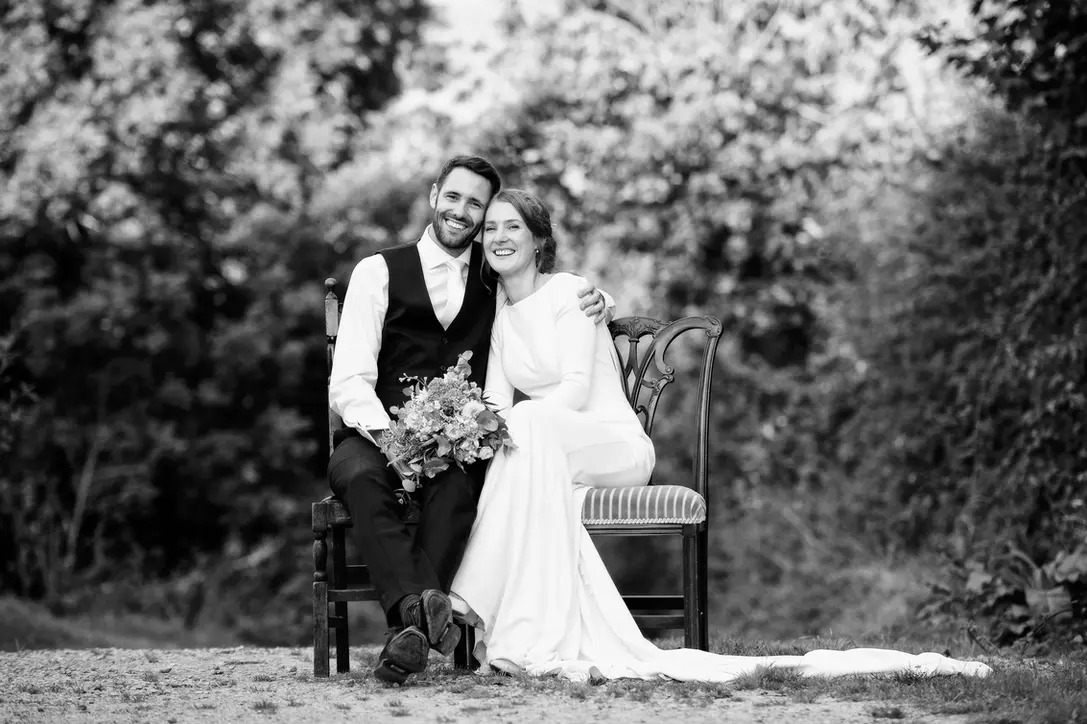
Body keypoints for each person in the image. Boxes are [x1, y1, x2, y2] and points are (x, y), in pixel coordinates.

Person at [448, 189, 994, 683]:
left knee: (529, 424)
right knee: (515, 433)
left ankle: (466, 601)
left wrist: (519, 421)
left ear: (539, 241)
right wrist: (476, 428)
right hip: (553, 452)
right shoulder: (500, 321)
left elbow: (572, 389)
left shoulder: (572, 293)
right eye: (490, 228)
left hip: (612, 445)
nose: (498, 237)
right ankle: (504, 622)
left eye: (512, 226)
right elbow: (494, 405)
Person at [327, 157, 612, 685]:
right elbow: (348, 382)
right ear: (435, 196)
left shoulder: (493, 277)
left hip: (454, 445)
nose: (462, 212)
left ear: (483, 217)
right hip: (371, 435)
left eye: (476, 204)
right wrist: (394, 444)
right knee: (364, 480)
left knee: (460, 487)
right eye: (454, 197)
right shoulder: (378, 270)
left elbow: (546, 295)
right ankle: (418, 613)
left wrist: (601, 299)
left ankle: (407, 634)